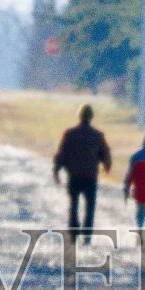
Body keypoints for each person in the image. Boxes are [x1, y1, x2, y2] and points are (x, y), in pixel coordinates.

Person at [52, 103, 111, 242]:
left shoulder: (70, 134)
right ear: (91, 116)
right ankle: (87, 234)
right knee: (90, 207)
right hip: (90, 177)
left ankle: (73, 232)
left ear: (79, 116)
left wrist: (56, 169)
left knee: (73, 204)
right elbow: (105, 153)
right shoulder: (97, 135)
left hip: (74, 176)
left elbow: (62, 153)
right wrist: (107, 165)